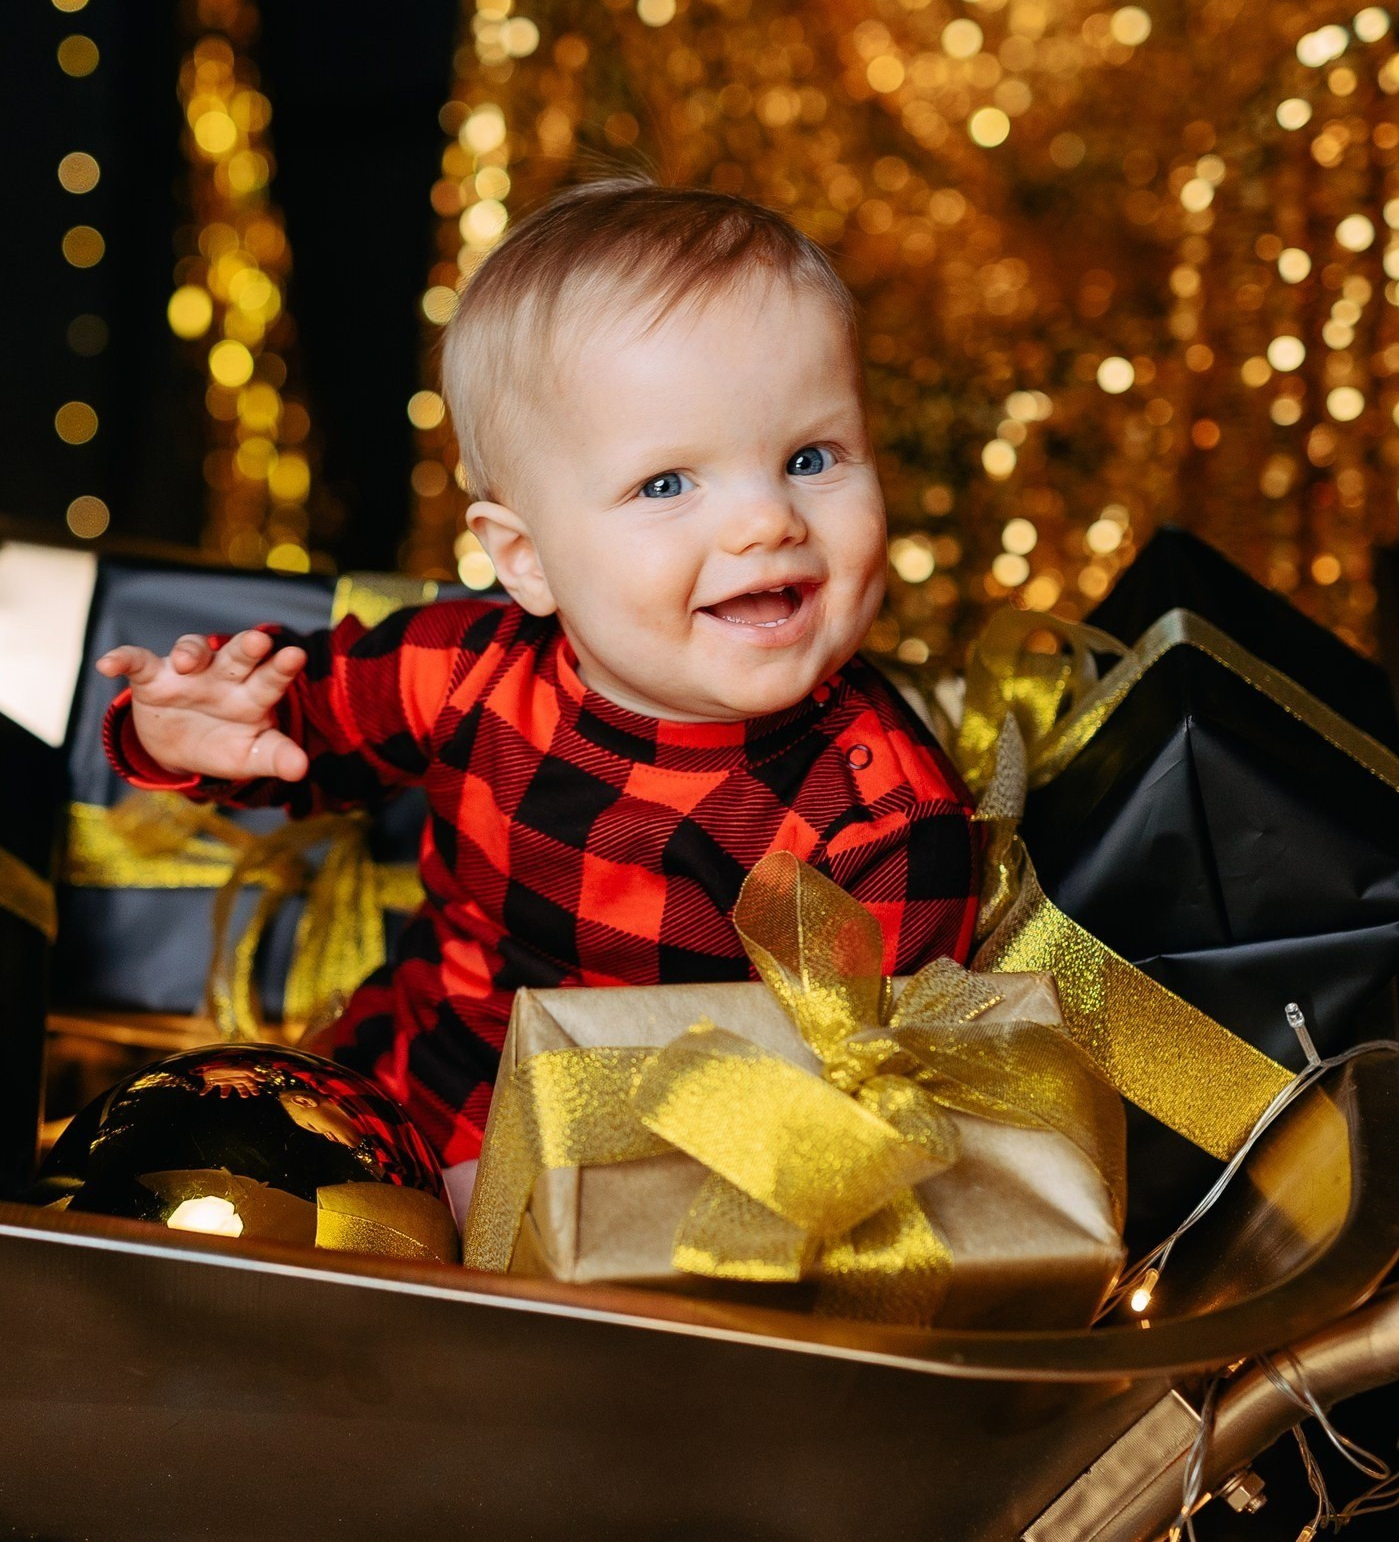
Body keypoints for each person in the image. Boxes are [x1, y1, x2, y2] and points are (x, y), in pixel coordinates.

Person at [97, 178, 980, 1215]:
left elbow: (859, 1106)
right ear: (524, 558)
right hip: (408, 1085)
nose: (764, 520)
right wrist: (197, 729)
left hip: (647, 1191)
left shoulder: (883, 819)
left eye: (809, 457)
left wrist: (542, 1199)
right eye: (666, 484)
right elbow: (303, 723)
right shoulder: (467, 665)